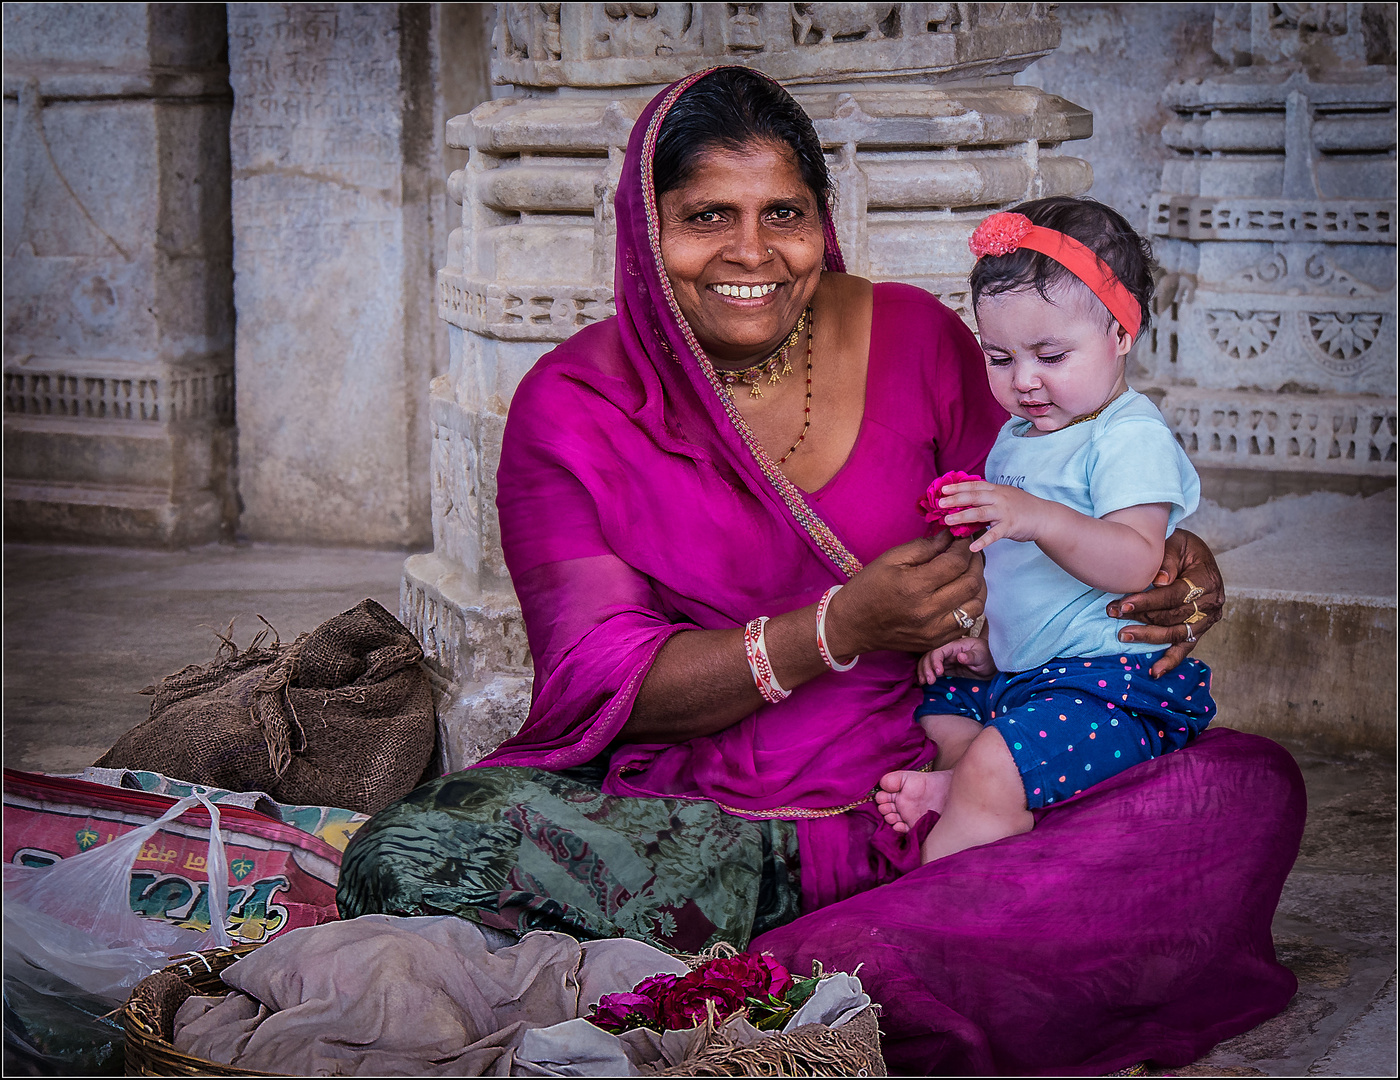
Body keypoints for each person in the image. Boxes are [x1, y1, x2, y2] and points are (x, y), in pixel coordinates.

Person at [338, 67, 1304, 1075]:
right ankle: (851, 966)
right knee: (412, 854)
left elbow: (1044, 500)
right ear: (640, 225)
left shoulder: (919, 338)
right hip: (717, 834)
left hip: (943, 788)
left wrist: (1169, 561)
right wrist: (837, 628)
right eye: (707, 214)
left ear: (821, 218)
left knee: (1243, 788)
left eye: (783, 213)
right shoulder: (573, 403)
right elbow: (600, 684)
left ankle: (790, 978)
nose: (751, 253)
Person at [876, 199, 1217, 866]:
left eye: (1051, 354)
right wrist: (989, 646)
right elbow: (1023, 582)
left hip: (1109, 682)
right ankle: (964, 783)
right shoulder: (1018, 437)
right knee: (940, 714)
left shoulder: (1128, 434)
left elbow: (1134, 562)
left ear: (1121, 334)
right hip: (1027, 674)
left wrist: (1038, 517)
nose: (1024, 380)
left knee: (997, 761)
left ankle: (936, 891)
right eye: (999, 357)